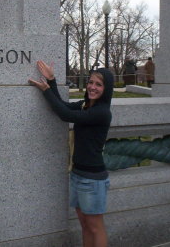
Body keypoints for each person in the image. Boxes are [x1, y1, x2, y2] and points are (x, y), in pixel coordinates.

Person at [29, 60, 114, 247]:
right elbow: (62, 106)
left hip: (92, 179)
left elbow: (65, 115)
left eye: (98, 84)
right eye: (91, 82)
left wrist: (45, 90)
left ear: (106, 89)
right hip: (77, 174)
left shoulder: (101, 112)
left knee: (95, 227)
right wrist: (51, 81)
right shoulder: (86, 105)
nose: (92, 87)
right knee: (84, 224)